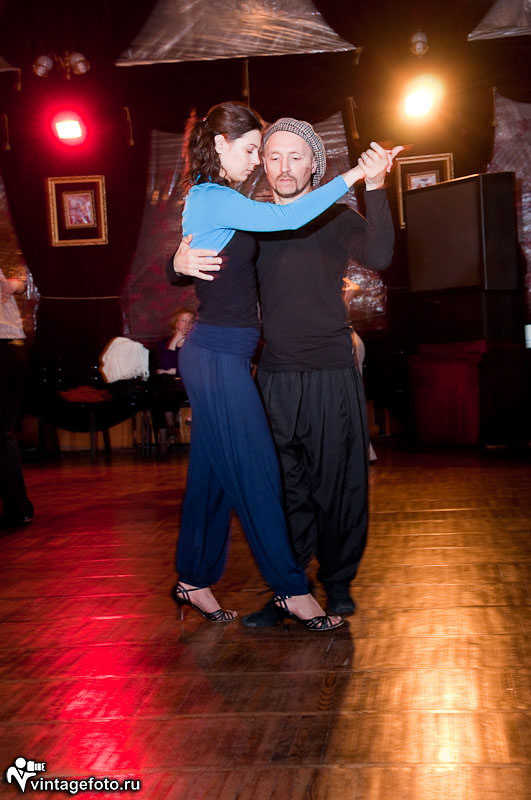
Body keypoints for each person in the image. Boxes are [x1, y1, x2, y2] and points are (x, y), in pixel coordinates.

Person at [168, 101, 397, 631]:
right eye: (267, 155)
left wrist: (375, 185)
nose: (276, 165)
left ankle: (324, 583)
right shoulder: (246, 212)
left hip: (312, 366)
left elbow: (381, 254)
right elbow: (209, 250)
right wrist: (174, 264)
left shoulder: (323, 214)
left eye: (294, 156)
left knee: (313, 484)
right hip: (256, 367)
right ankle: (290, 590)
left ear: (314, 163)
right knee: (270, 482)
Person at [0, 265, 34, 527]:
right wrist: (14, 284)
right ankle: (18, 507)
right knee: (3, 434)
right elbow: (20, 285)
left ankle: (18, 507)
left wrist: (15, 284)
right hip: (14, 350)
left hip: (4, 351)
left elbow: (20, 285)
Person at [151, 307, 195, 451]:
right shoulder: (163, 343)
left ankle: (167, 430)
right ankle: (170, 422)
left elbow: (196, 367)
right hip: (169, 386)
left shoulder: (195, 343)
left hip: (189, 384)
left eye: (190, 321)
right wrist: (174, 341)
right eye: (183, 320)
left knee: (161, 387)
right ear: (175, 324)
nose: (187, 324)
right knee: (160, 383)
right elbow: (164, 364)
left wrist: (175, 370)